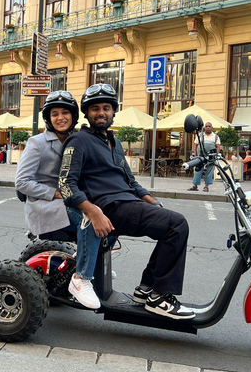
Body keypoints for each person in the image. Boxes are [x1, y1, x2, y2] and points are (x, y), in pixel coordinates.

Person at [59, 84, 193, 319]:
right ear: (87, 113)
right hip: (111, 207)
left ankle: (146, 290)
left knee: (170, 223)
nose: (101, 112)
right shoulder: (78, 141)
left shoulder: (115, 143)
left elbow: (131, 182)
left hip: (129, 202)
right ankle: (159, 296)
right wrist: (94, 212)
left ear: (113, 112)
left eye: (106, 108)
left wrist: (153, 203)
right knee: (176, 224)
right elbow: (65, 184)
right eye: (95, 108)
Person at [15, 91, 103, 309]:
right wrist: (56, 193)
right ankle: (82, 278)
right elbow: (21, 182)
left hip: (69, 201)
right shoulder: (37, 143)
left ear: (73, 116)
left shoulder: (79, 140)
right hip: (47, 205)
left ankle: (88, 261)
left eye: (65, 112)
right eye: (55, 114)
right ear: (48, 118)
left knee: (106, 214)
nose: (60, 117)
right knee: (90, 219)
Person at [188, 122, 221, 192]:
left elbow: (218, 147)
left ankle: (206, 186)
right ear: (204, 128)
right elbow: (196, 146)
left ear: (212, 128)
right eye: (206, 126)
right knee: (197, 170)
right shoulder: (200, 136)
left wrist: (216, 155)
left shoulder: (215, 137)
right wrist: (196, 155)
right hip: (200, 156)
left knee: (209, 171)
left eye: (209, 126)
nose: (208, 127)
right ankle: (195, 185)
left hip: (211, 157)